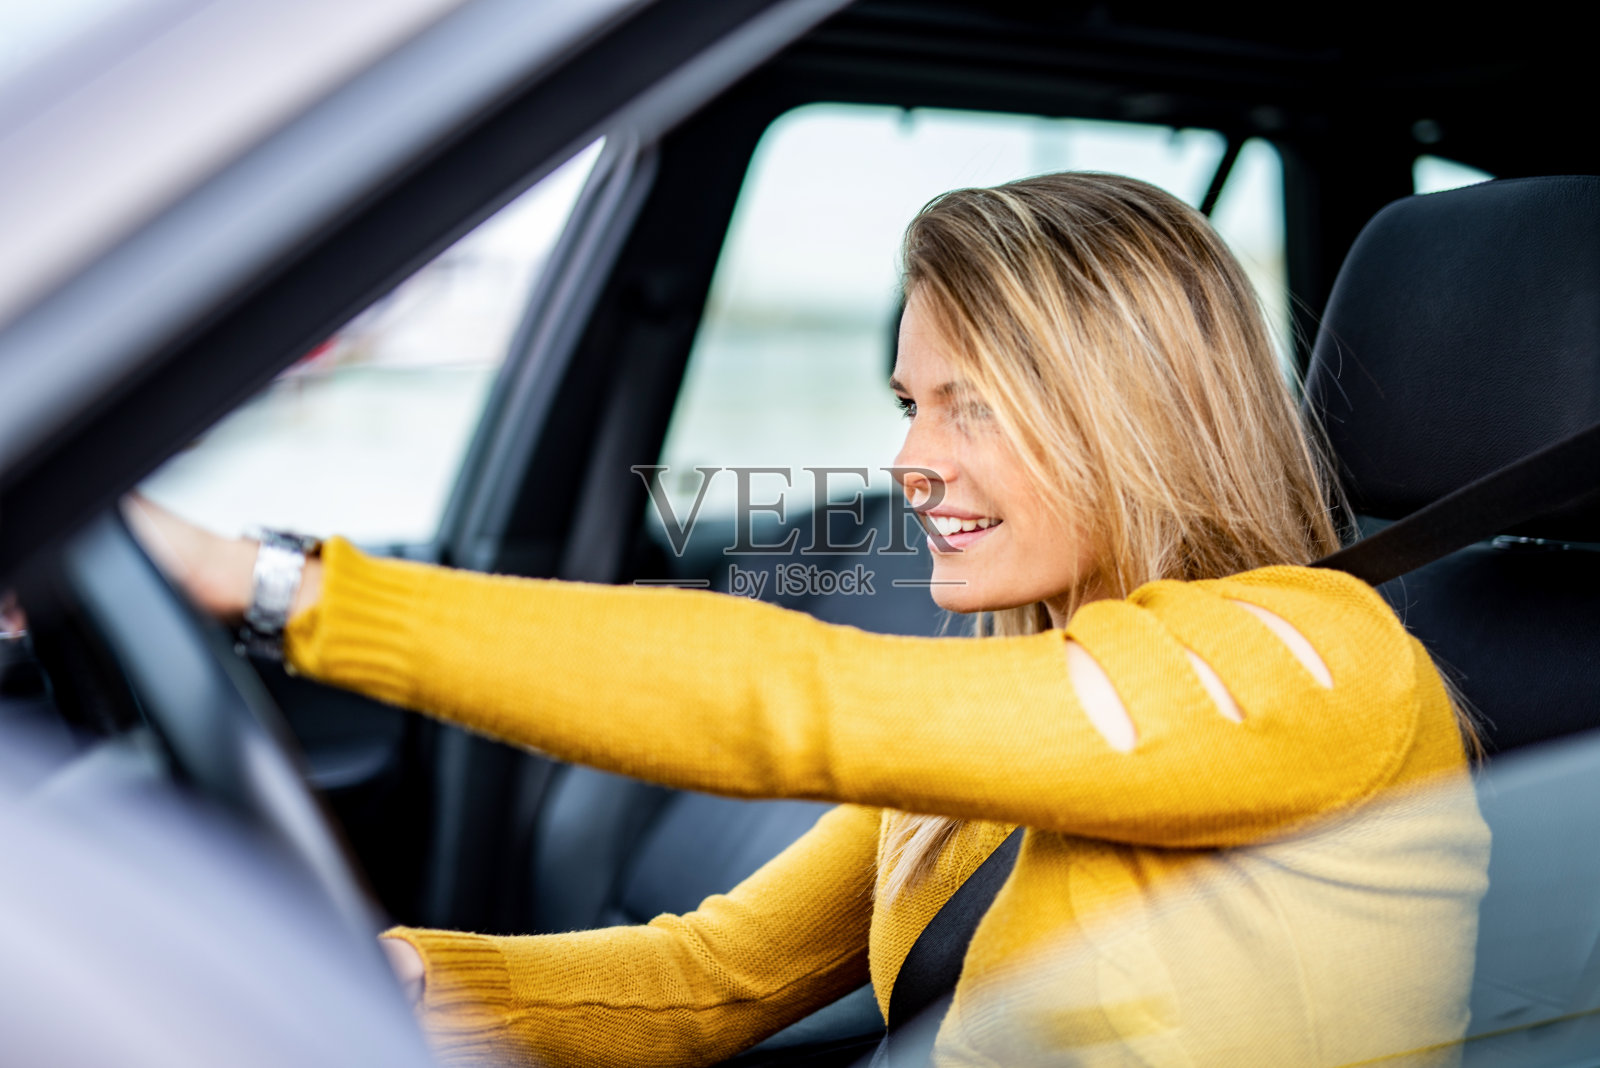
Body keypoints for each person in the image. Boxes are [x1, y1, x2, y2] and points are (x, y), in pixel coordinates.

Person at [129, 173, 1489, 1067]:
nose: (914, 462)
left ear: (1130, 416)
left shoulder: (1321, 665)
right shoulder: (1018, 709)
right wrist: (359, 991)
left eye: (973, 405)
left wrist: (272, 584)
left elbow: (799, 701)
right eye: (912, 404)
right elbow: (711, 976)